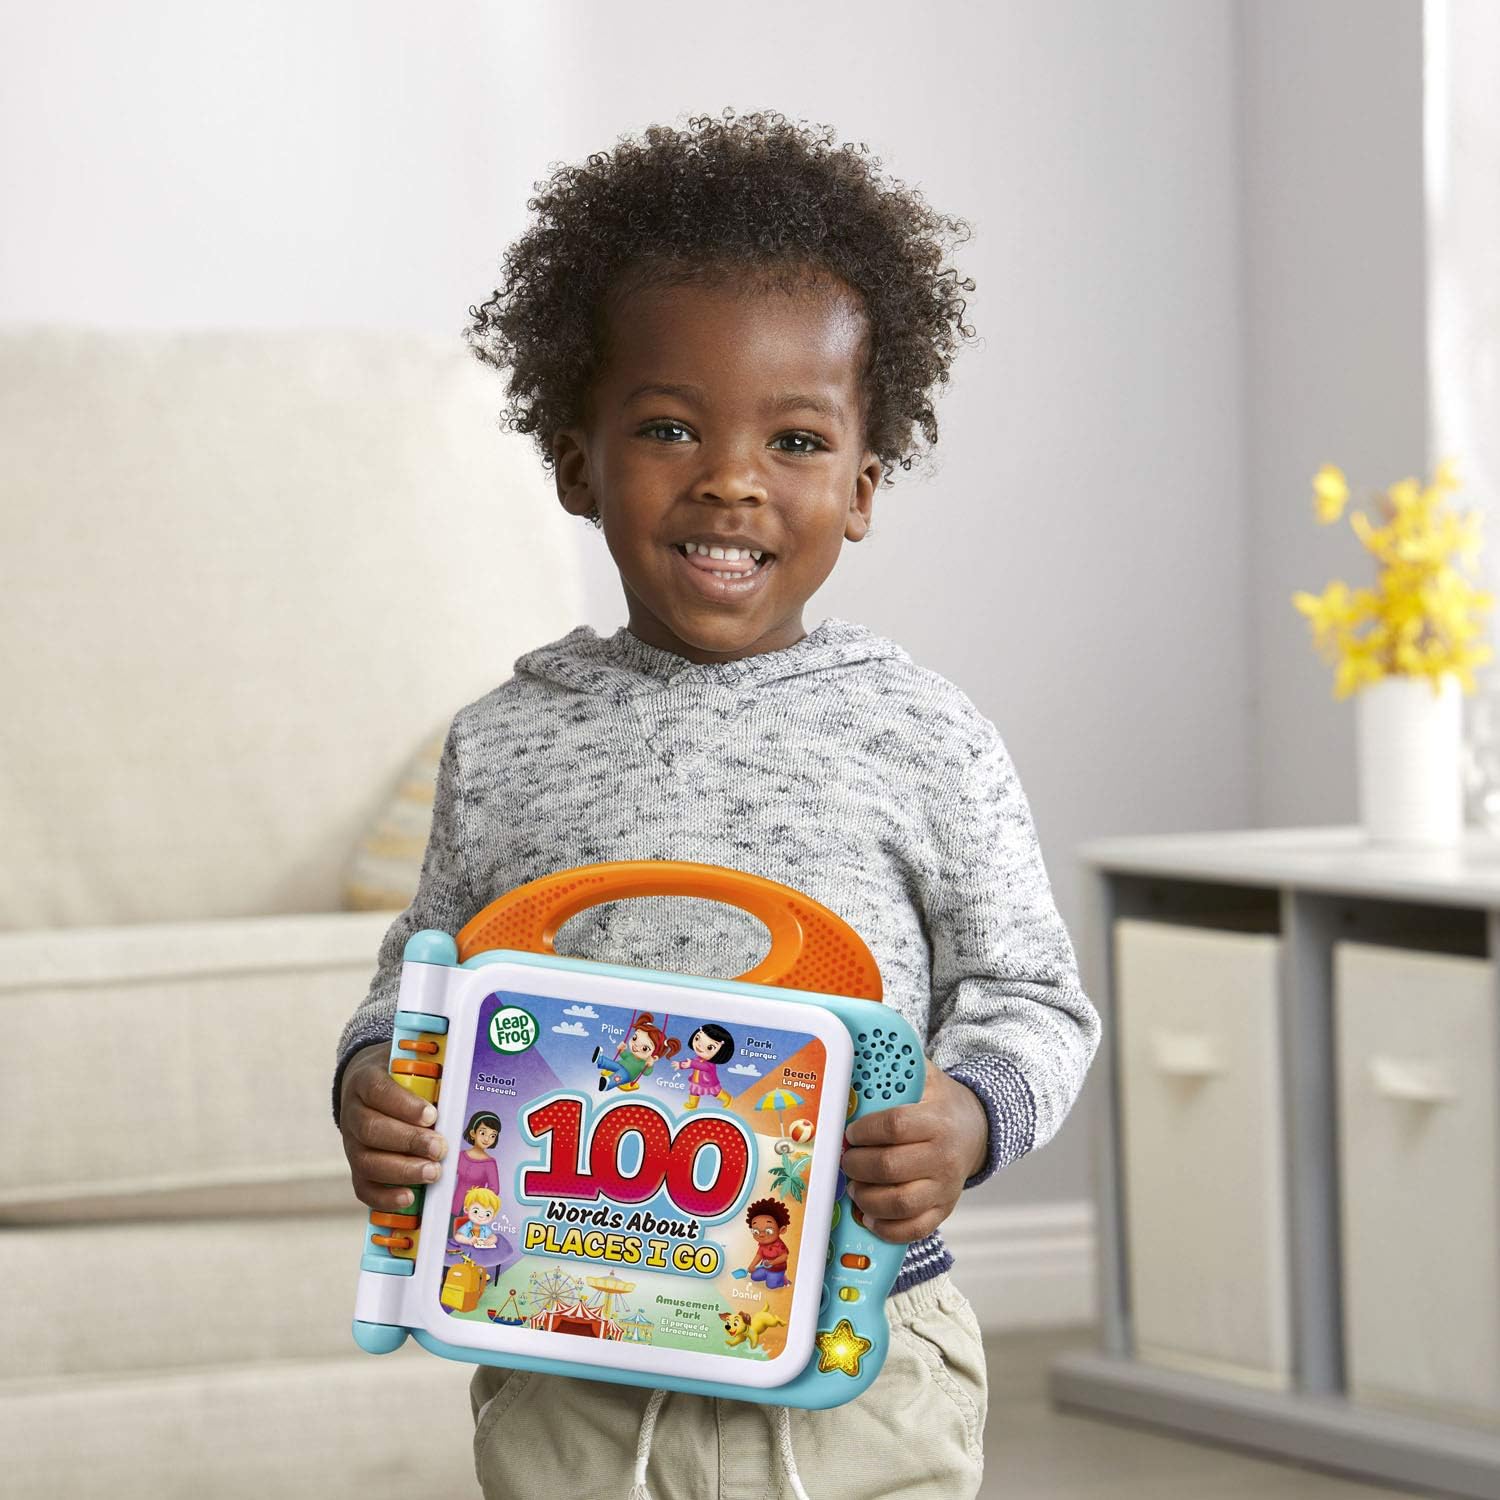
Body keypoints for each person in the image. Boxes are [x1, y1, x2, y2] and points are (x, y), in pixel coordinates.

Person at [333, 109, 1101, 1500]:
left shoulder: (924, 736)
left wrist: (970, 1117)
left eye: (795, 439)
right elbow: (423, 979)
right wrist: (374, 1081)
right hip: (566, 1354)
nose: (731, 477)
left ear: (862, 487)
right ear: (578, 461)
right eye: (670, 427)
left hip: (856, 1356)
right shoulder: (505, 741)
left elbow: (1032, 998)